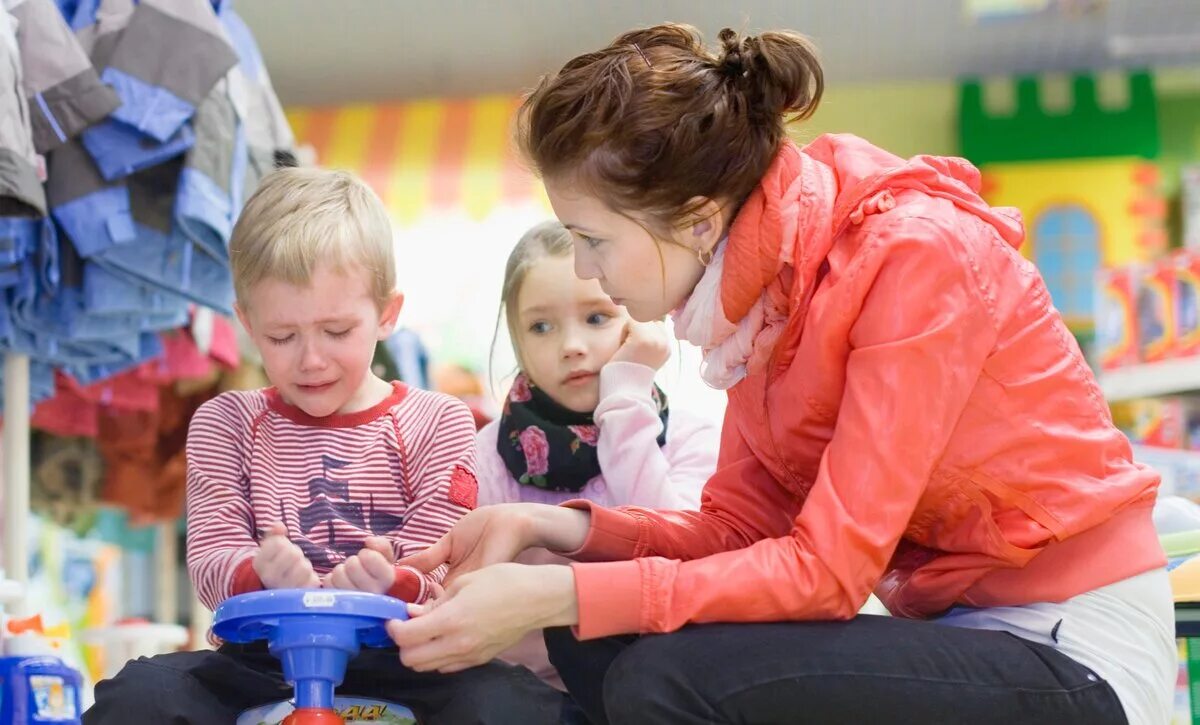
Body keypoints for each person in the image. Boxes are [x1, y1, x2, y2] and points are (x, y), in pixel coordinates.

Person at [386, 24, 1175, 725]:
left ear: (698, 219)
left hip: (1077, 650)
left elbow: (829, 571)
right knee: (603, 642)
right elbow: (734, 530)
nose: (589, 274)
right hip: (961, 631)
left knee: (656, 672)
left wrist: (561, 591)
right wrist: (551, 529)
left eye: (592, 239)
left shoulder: (912, 258)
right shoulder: (760, 300)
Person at [84, 168, 563, 724]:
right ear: (246, 323)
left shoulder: (439, 420)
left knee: (519, 707)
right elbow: (211, 558)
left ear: (386, 313)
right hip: (259, 663)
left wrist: (393, 579)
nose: (310, 360)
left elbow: (449, 565)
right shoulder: (225, 422)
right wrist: (259, 573)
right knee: (138, 696)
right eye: (282, 337)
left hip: (409, 658)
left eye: (337, 332)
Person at [476, 220, 717, 688]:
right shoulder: (485, 456)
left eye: (596, 318)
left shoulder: (692, 441)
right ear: (516, 339)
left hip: (655, 692)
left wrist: (626, 401)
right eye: (541, 326)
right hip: (515, 696)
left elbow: (677, 555)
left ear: (639, 323)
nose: (571, 347)